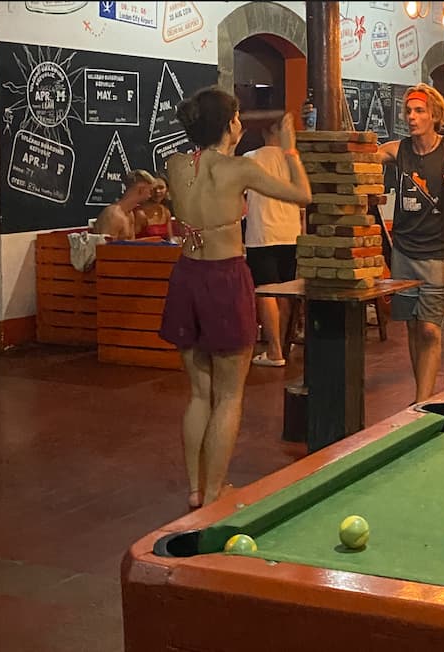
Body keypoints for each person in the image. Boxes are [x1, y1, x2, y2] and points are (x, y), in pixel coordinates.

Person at [158, 88, 310, 508]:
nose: (241, 123)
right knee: (229, 395)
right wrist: (290, 150)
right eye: (237, 117)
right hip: (224, 279)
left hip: (187, 276)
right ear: (229, 125)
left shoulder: (174, 165)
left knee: (198, 393)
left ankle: (194, 489)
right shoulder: (238, 169)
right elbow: (303, 196)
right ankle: (215, 491)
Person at [378, 83, 444, 402]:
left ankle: (422, 401)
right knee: (413, 326)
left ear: (435, 115)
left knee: (430, 328)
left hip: (437, 252)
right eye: (408, 111)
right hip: (403, 251)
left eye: (419, 111)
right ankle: (422, 396)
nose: (411, 117)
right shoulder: (397, 150)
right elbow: (365, 154)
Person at [243, 121, 302, 367]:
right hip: (291, 231)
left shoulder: (250, 158)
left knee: (265, 290)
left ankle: (275, 350)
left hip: (262, 232)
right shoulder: (293, 159)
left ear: (265, 129)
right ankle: (283, 346)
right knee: (285, 290)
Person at [93, 169, 156, 240]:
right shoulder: (113, 215)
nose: (151, 195)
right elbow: (104, 249)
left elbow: (132, 246)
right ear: (141, 189)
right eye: (150, 190)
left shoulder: (130, 214)